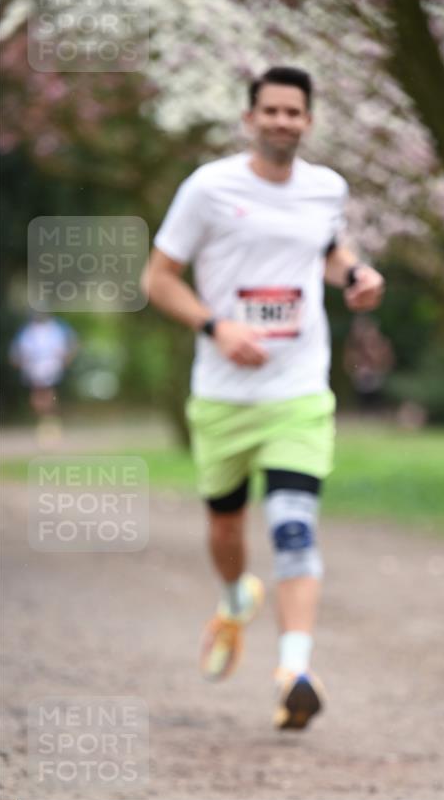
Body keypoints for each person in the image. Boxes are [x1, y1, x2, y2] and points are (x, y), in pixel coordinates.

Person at [141, 66, 384, 730]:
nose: (282, 121)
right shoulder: (210, 188)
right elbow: (158, 278)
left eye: (294, 112)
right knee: (225, 527)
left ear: (308, 121)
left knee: (292, 523)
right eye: (270, 111)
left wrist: (357, 276)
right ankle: (231, 599)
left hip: (298, 388)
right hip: (221, 394)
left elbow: (330, 251)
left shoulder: (325, 188)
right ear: (249, 118)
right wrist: (215, 327)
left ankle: (294, 670)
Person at [9, 312, 77, 444]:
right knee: (38, 396)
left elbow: (71, 342)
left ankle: (49, 424)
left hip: (49, 365)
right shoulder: (27, 330)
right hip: (33, 367)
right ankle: (47, 422)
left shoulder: (56, 327)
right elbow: (17, 350)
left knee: (47, 393)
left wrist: (67, 357)